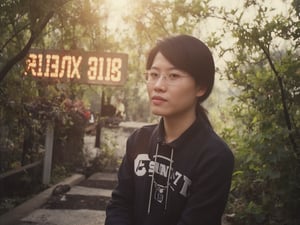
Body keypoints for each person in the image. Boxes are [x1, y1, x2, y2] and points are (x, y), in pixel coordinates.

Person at [105, 34, 234, 225]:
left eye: (173, 76)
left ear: (201, 87)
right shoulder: (138, 140)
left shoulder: (214, 156)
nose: (158, 86)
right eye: (154, 75)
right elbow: (119, 205)